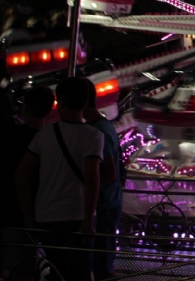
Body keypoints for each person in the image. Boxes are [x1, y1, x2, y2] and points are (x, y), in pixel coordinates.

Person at [16, 77, 104, 281]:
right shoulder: (94, 135)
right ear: (85, 102)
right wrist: (89, 221)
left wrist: (29, 216)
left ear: (60, 102)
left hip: (47, 217)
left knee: (56, 272)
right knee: (79, 274)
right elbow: (92, 178)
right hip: (78, 217)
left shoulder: (45, 133)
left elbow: (21, 174)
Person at [0, 87, 55, 280]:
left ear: (25, 108)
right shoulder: (47, 139)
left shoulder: (6, 132)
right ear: (49, 111)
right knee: (22, 271)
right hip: (23, 216)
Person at [83, 78, 123, 281]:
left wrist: (86, 183)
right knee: (102, 261)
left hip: (104, 205)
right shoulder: (106, 126)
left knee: (101, 264)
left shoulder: (98, 131)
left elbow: (109, 172)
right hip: (109, 202)